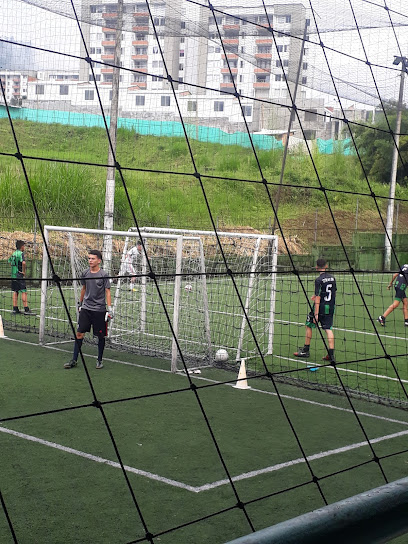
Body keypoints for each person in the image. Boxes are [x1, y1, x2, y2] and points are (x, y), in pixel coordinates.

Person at [64, 250, 113, 370]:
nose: (90, 260)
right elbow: (84, 288)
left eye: (93, 258)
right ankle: (74, 360)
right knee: (79, 333)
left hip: (99, 310)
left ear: (99, 261)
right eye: (89, 258)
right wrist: (80, 303)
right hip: (86, 308)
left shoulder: (104, 275)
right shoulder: (85, 273)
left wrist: (110, 308)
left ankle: (99, 360)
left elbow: (107, 291)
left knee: (100, 336)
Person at [294, 258, 337, 363]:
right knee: (328, 329)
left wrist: (316, 313)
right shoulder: (332, 278)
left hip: (320, 306)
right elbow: (332, 292)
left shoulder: (318, 280)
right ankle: (331, 355)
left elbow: (318, 298)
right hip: (330, 306)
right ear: (326, 266)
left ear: (316, 267)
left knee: (308, 325)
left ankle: (305, 350)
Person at [8, 240, 33, 315]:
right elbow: (24, 263)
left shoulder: (14, 253)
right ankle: (26, 309)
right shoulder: (21, 253)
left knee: (15, 291)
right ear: (22, 246)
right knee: (24, 291)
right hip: (19, 275)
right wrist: (23, 271)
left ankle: (15, 308)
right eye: (24, 245)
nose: (24, 247)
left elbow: (9, 262)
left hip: (13, 275)